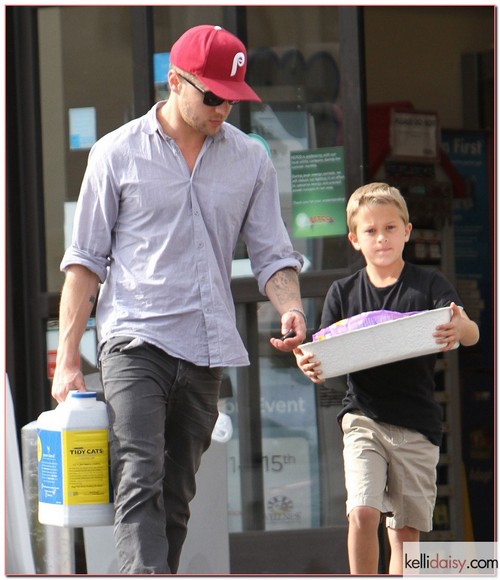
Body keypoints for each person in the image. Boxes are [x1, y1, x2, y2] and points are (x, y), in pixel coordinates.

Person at [51, 24, 307, 574]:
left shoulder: (250, 161)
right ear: (175, 82)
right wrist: (68, 358)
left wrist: (292, 306)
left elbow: (273, 255)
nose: (224, 110)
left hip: (206, 347)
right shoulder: (114, 153)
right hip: (133, 340)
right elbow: (84, 263)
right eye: (213, 96)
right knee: (139, 473)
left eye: (234, 100)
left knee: (177, 492)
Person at [294, 182, 479, 575]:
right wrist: (310, 363)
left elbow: (470, 331)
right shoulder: (342, 292)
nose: (381, 238)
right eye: (370, 230)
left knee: (405, 533)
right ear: (354, 239)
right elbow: (324, 351)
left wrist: (458, 329)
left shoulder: (429, 284)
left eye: (391, 228)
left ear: (407, 231)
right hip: (363, 417)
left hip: (417, 424)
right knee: (362, 512)